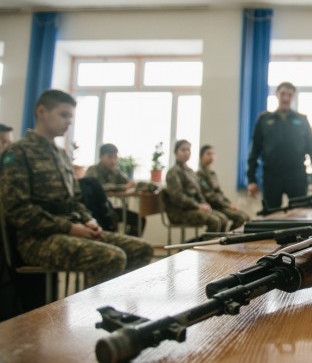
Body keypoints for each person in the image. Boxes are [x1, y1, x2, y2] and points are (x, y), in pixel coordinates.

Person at [0, 89, 153, 287]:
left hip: (72, 229)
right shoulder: (18, 152)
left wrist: (89, 220)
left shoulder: (61, 154)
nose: (69, 122)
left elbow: (76, 200)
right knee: (111, 257)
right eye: (64, 115)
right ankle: (93, 306)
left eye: (71, 117)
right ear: (41, 112)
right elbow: (18, 211)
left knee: (142, 249)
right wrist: (70, 228)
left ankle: (115, 302)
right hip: (37, 239)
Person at [246, 82, 312, 212]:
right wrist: (251, 180)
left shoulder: (302, 120)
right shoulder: (264, 120)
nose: (286, 98)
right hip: (271, 176)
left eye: (289, 95)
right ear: (276, 95)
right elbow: (254, 152)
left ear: (293, 97)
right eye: (283, 94)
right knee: (270, 216)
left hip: (296, 175)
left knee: (299, 214)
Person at [164, 139, 228, 233]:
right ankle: (206, 242)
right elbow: (178, 196)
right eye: (183, 150)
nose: (186, 153)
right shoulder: (173, 173)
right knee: (215, 221)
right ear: (175, 152)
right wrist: (197, 205)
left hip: (192, 208)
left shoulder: (190, 171)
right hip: (180, 212)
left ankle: (214, 242)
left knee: (223, 219)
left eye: (188, 150)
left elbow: (198, 192)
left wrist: (204, 204)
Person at [85, 143, 144, 236]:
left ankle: (129, 243)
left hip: (109, 208)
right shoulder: (92, 170)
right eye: (109, 157)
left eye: (115, 157)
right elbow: (100, 187)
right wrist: (123, 187)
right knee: (112, 219)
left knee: (140, 220)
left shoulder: (115, 171)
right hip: (95, 210)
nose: (113, 160)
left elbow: (127, 183)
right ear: (100, 157)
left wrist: (133, 185)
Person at [197, 145, 250, 231]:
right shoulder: (199, 175)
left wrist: (230, 203)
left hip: (221, 204)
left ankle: (229, 237)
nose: (212, 156)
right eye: (208, 154)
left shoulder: (212, 174)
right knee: (240, 218)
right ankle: (226, 237)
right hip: (213, 206)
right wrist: (227, 205)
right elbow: (209, 196)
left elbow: (219, 193)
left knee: (246, 217)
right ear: (201, 156)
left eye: (213, 154)